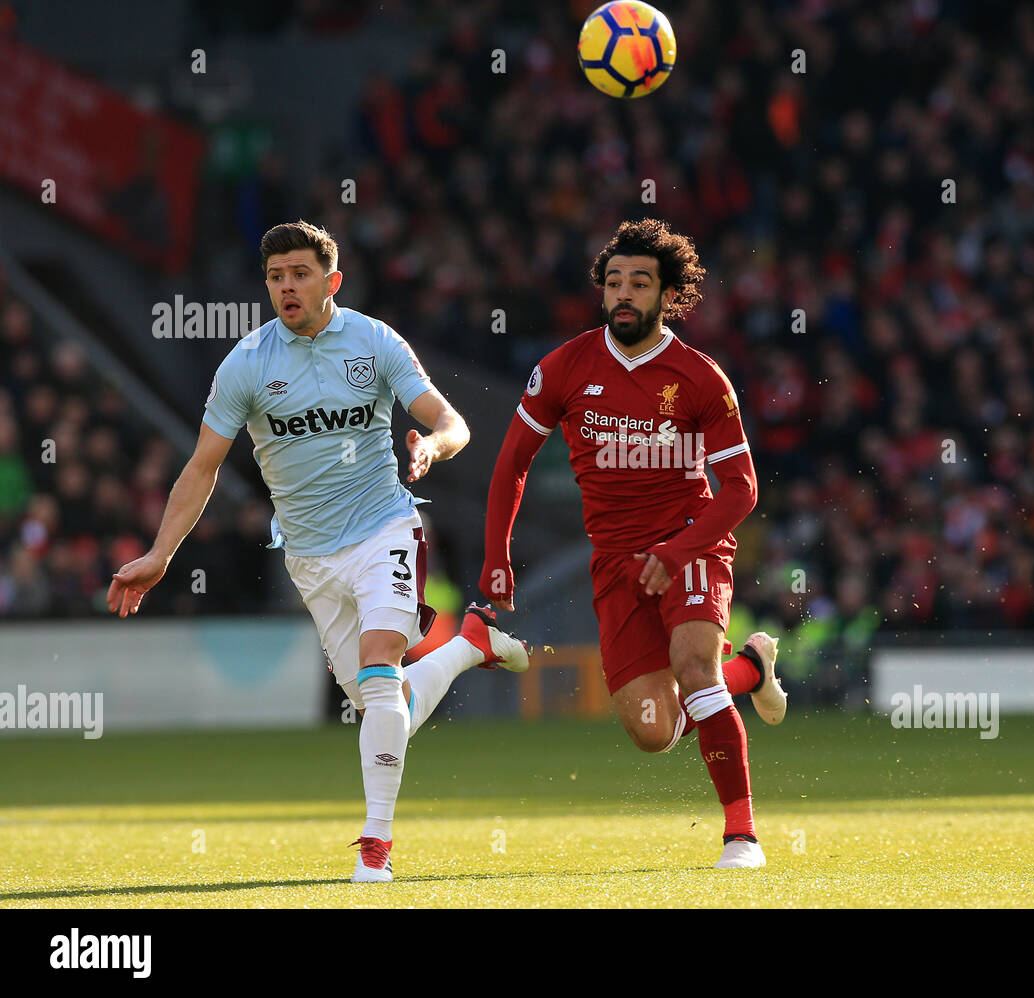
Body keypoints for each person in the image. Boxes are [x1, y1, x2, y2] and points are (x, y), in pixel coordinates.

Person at [107, 220, 529, 883]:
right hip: (308, 557)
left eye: (299, 274)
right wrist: (162, 552)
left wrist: (430, 446)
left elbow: (453, 422)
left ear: (330, 281)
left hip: (387, 526)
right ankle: (470, 644)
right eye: (275, 277)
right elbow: (201, 468)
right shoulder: (246, 364)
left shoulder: (374, 341)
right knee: (385, 707)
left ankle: (375, 848)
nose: (286, 287)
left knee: (379, 667)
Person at [478, 218, 785, 869]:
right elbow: (511, 464)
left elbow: (741, 490)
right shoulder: (564, 367)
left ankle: (742, 836)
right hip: (616, 563)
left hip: (689, 546)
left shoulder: (700, 378)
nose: (624, 293)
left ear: (667, 294)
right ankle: (752, 669)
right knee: (653, 732)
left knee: (694, 670)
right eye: (614, 281)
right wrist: (497, 555)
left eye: (639, 283)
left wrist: (676, 554)